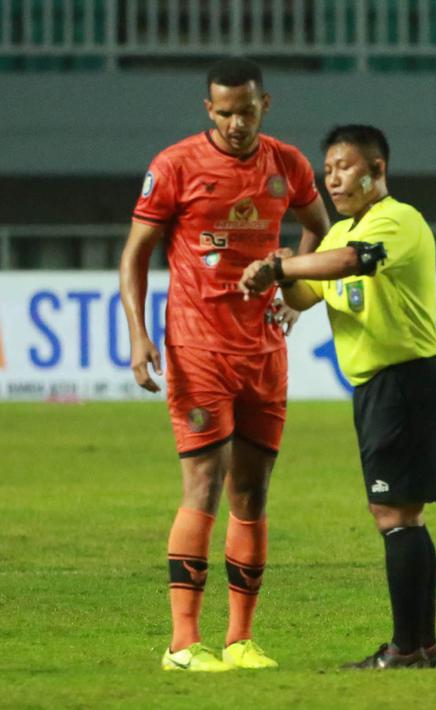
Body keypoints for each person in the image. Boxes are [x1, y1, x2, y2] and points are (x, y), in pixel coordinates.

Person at [118, 57, 330, 671]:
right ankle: (183, 642)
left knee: (253, 492)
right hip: (197, 347)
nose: (237, 123)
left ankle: (240, 640)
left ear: (267, 103)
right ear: (208, 110)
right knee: (204, 483)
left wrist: (294, 295)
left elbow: (318, 228)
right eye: (225, 112)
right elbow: (135, 254)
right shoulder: (176, 165)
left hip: (263, 350)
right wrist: (138, 336)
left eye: (247, 110)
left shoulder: (286, 164)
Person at [240, 124, 436, 669]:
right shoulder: (337, 233)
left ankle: (408, 648)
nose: (333, 178)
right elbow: (307, 294)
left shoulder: (398, 220)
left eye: (344, 167)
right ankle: (421, 646)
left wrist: (279, 267)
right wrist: (283, 273)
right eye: (328, 169)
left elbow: (352, 263)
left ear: (377, 169)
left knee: (394, 511)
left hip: (408, 379)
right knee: (400, 513)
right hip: (381, 385)